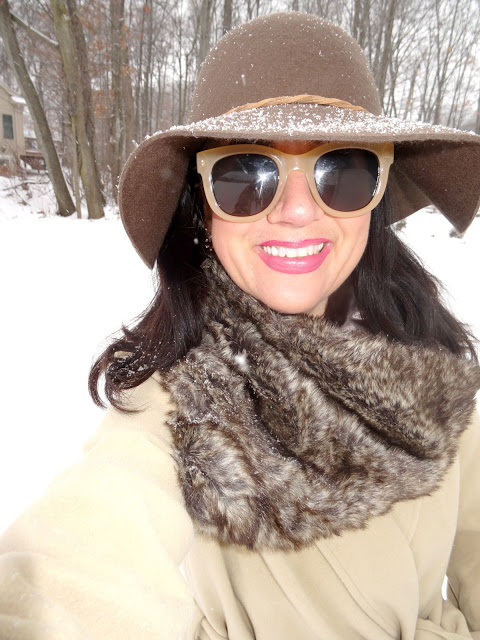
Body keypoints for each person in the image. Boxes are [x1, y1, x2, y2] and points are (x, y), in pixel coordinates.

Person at [1, 11, 480, 640]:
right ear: (203, 209)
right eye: (246, 176)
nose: (297, 211)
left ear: (377, 196)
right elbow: (81, 558)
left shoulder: (438, 370)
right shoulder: (180, 395)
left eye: (343, 171)